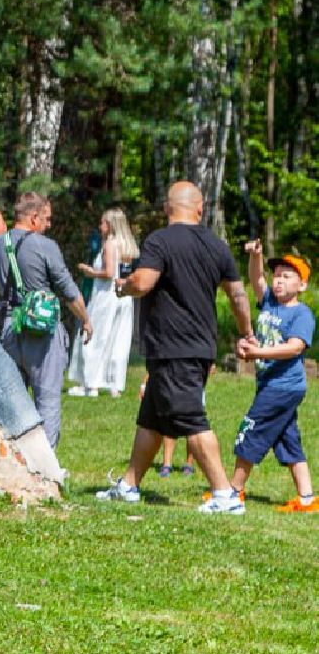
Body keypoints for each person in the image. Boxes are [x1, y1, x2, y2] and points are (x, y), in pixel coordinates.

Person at [96, 182, 253, 512]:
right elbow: (238, 295)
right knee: (152, 417)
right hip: (198, 346)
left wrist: (124, 286)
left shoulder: (160, 240)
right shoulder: (217, 245)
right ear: (200, 208)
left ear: (168, 209)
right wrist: (245, 332)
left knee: (190, 417)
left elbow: (143, 282)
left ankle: (225, 495)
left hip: (172, 346)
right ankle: (129, 485)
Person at [0, 192, 93, 448]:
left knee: (10, 404)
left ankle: (13, 461)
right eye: (46, 219)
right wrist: (86, 320)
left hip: (6, 332)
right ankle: (45, 470)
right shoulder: (45, 246)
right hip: (42, 334)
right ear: (34, 218)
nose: (48, 225)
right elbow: (68, 291)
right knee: (46, 401)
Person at [224, 242, 315, 512]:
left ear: (301, 286)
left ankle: (233, 492)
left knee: (250, 430)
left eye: (287, 276)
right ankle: (307, 498)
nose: (279, 281)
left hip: (283, 386)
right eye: (277, 275)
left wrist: (259, 352)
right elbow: (256, 278)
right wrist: (256, 255)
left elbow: (296, 346)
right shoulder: (270, 303)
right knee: (288, 439)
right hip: (272, 384)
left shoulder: (302, 314)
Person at [67, 208, 140, 397]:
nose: (100, 227)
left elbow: (108, 273)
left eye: (103, 223)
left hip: (105, 296)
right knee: (117, 339)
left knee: (94, 335)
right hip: (123, 297)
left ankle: (90, 383)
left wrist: (90, 271)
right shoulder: (127, 245)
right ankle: (113, 383)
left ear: (110, 225)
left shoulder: (109, 244)